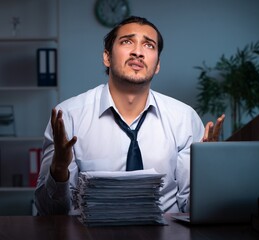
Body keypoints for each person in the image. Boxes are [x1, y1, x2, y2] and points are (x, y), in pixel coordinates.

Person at [35, 16, 225, 215]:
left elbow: (191, 208)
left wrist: (206, 173)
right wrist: (58, 170)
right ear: (107, 57)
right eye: (127, 42)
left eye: (149, 45)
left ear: (157, 64)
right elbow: (49, 213)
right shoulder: (68, 118)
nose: (138, 52)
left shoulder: (184, 119)